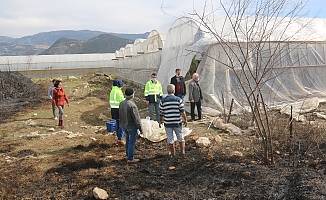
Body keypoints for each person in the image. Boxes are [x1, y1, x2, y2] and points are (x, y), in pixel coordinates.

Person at [159, 84, 187, 156]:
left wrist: (160, 121)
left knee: (170, 138)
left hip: (168, 123)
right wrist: (185, 120)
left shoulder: (163, 101)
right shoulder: (178, 100)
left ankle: (173, 153)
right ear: (173, 91)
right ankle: (182, 151)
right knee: (180, 136)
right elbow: (182, 111)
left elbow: (161, 113)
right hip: (177, 122)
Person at [119, 88, 143, 163]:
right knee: (132, 143)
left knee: (128, 141)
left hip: (124, 126)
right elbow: (137, 118)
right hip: (132, 126)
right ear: (132, 95)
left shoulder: (122, 103)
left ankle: (128, 154)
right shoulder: (132, 105)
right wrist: (141, 128)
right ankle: (130, 158)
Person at [109, 78, 125, 146]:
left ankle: (119, 138)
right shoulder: (118, 91)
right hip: (119, 109)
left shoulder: (113, 90)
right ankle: (120, 139)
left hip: (113, 109)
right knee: (122, 125)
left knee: (118, 124)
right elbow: (122, 101)